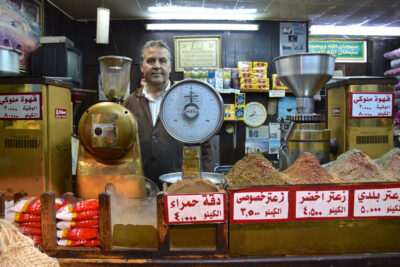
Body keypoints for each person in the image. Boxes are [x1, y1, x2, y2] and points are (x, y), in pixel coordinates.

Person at [123, 40, 215, 189]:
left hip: (180, 187)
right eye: (151, 61)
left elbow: (206, 150)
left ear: (170, 66)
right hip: (139, 188)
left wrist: (204, 186)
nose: (157, 66)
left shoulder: (188, 100)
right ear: (142, 66)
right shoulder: (129, 103)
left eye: (162, 61)